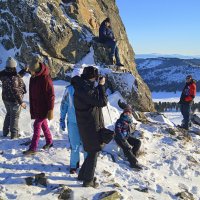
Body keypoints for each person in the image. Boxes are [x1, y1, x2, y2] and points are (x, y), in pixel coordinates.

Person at [71, 66, 107, 188]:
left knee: (92, 151)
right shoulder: (86, 89)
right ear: (92, 77)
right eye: (95, 78)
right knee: (94, 152)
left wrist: (96, 87)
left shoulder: (81, 87)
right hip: (91, 126)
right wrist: (101, 86)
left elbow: (93, 99)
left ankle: (82, 175)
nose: (96, 80)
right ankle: (88, 181)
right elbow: (102, 102)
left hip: (86, 124)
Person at [23, 57, 55, 155]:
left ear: (36, 70)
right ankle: (49, 141)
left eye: (31, 71)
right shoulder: (36, 75)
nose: (30, 73)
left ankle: (33, 148)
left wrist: (50, 110)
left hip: (44, 107)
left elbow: (51, 95)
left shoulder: (46, 79)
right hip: (37, 106)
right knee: (43, 124)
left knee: (37, 125)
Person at [60, 68, 87, 174]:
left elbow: (64, 105)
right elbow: (64, 104)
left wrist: (62, 119)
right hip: (79, 121)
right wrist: (62, 119)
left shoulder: (71, 88)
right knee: (81, 145)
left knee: (77, 144)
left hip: (76, 121)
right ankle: (77, 165)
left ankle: (76, 166)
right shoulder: (70, 89)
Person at [0, 57, 27, 139]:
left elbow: (18, 76)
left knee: (9, 114)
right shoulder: (13, 78)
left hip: (6, 99)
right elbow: (15, 90)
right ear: (13, 67)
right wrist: (21, 102)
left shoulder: (3, 73)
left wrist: (24, 70)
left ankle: (5, 132)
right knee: (15, 117)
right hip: (14, 100)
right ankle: (14, 135)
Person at [115, 105, 142, 170]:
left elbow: (130, 130)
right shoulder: (120, 121)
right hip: (119, 137)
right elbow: (117, 130)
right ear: (123, 113)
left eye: (129, 113)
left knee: (138, 142)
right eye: (126, 113)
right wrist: (122, 138)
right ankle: (133, 163)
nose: (127, 114)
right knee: (127, 147)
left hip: (126, 137)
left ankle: (132, 156)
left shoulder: (129, 121)